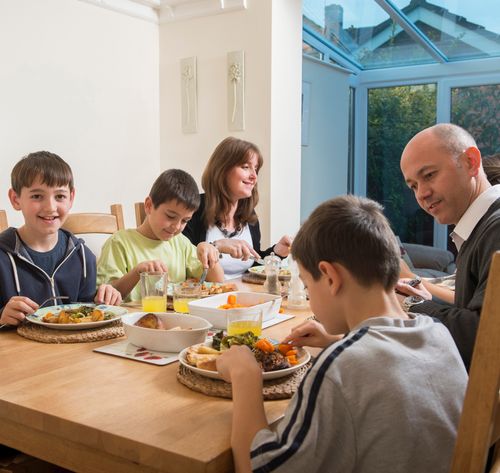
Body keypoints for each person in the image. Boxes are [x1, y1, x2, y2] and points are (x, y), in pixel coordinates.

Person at [217, 195, 467, 473]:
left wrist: (244, 377)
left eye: (308, 285)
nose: (309, 295)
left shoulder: (342, 368)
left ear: (330, 277)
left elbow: (258, 469)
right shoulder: (437, 333)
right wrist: (336, 340)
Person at [396, 123, 500, 370]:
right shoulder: (480, 227)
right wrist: (421, 298)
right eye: (413, 186)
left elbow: (480, 338)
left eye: (429, 175)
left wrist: (411, 305)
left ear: (471, 162)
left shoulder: (496, 229)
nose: (421, 194)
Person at [0, 151, 122, 327]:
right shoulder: (2, 256)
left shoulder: (83, 257)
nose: (50, 207)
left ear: (71, 198)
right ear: (15, 199)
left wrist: (102, 299)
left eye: (59, 196)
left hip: (70, 352)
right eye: (37, 196)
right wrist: (2, 316)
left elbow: (87, 315)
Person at [97, 169, 223, 301]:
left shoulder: (181, 243)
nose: (177, 226)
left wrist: (209, 251)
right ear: (149, 205)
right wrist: (137, 272)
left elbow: (219, 283)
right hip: (133, 318)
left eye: (185, 221)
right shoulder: (119, 242)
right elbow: (106, 297)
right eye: (170, 216)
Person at [183, 137, 292, 279]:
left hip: (243, 296)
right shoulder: (194, 208)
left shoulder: (249, 216)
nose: (254, 176)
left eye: (256, 169)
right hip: (208, 297)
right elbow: (182, 259)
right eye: (246, 167)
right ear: (222, 169)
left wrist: (277, 252)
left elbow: (252, 266)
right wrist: (217, 246)